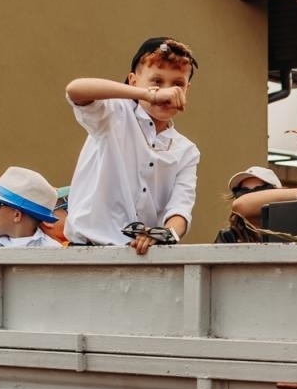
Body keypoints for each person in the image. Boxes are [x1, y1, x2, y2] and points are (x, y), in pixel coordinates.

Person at [63, 37, 200, 254]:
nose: (167, 91)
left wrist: (163, 235)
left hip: (141, 256)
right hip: (86, 252)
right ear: (133, 81)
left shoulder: (187, 150)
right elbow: (75, 90)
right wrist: (148, 95)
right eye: (156, 81)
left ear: (187, 89)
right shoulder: (113, 114)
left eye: (178, 84)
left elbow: (180, 210)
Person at [216, 164, 297, 242]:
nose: (251, 197)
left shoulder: (294, 231)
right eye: (243, 191)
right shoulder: (228, 237)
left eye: (259, 190)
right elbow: (241, 205)